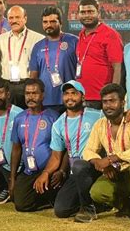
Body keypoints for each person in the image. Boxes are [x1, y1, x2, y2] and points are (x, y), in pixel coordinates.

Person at [82, 83, 130, 231]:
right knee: (97, 192)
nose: (108, 105)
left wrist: (113, 158)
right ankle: (127, 204)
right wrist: (100, 163)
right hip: (118, 174)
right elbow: (88, 150)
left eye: (112, 101)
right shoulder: (100, 124)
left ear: (123, 103)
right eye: (105, 102)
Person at [33, 80, 103, 220]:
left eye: (74, 93)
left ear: (82, 97)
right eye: (66, 94)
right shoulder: (58, 124)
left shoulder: (98, 115)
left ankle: (88, 209)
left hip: (96, 168)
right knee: (61, 210)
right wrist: (46, 172)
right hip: (74, 173)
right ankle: (94, 203)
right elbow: (56, 156)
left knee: (79, 166)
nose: (70, 97)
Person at [9, 78, 59, 212]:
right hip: (29, 171)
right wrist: (12, 178)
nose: (31, 97)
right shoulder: (19, 118)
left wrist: (59, 171)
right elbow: (16, 149)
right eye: (27, 93)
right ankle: (43, 199)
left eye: (34, 93)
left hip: (49, 172)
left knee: (56, 188)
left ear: (43, 95)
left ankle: (50, 196)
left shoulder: (53, 118)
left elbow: (62, 150)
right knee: (20, 204)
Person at [75, 0, 123, 108]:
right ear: (78, 15)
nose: (87, 15)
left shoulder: (110, 34)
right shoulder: (81, 34)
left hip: (102, 98)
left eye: (91, 12)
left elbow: (117, 67)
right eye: (83, 12)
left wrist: (113, 96)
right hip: (82, 96)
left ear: (99, 13)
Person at [29, 6, 78, 111]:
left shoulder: (74, 41)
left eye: (52, 21)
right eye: (45, 22)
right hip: (45, 100)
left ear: (60, 22)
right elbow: (33, 75)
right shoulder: (38, 46)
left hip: (70, 99)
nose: (48, 25)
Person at [0, 6, 45, 109]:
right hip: (6, 85)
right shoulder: (0, 40)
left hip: (28, 86)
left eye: (17, 17)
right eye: (11, 18)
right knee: (7, 120)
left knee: (28, 118)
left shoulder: (38, 39)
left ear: (25, 19)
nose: (14, 21)